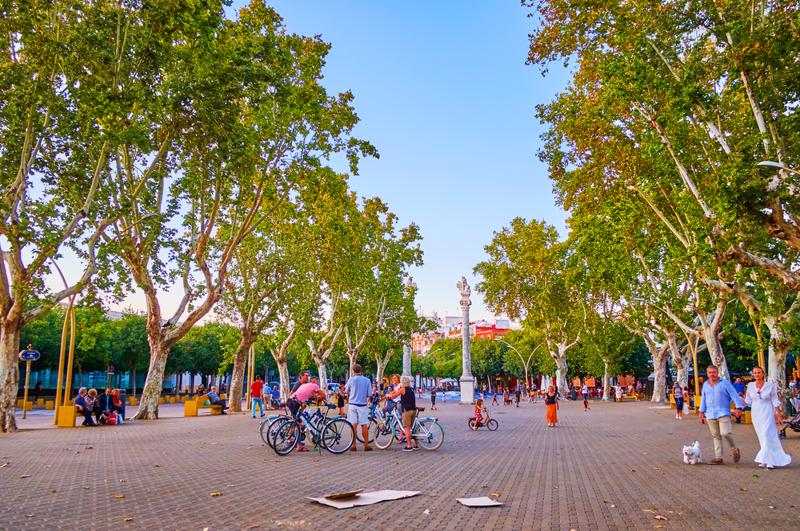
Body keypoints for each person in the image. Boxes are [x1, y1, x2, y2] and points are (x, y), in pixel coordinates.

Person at [744, 367, 791, 469]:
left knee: (766, 434)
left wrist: (778, 415)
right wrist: (738, 403)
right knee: (762, 436)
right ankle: (765, 459)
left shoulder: (770, 386)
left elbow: (775, 400)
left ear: (763, 374)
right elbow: (747, 401)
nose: (757, 374)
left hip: (767, 412)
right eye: (755, 373)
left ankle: (770, 461)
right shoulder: (750, 386)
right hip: (756, 413)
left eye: (759, 372)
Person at [698, 365, 743, 464]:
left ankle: (734, 449)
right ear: (707, 373)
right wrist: (701, 411)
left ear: (717, 372)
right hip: (710, 413)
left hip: (723, 412)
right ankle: (718, 457)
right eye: (709, 372)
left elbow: (734, 395)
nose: (712, 374)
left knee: (725, 433)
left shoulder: (725, 383)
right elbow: (703, 399)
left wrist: (738, 407)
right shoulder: (705, 384)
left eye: (713, 372)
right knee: (716, 435)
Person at [287, 375, 325, 452]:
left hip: (291, 401)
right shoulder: (314, 385)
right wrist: (322, 399)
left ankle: (294, 440)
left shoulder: (305, 385)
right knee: (297, 424)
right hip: (295, 403)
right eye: (317, 382)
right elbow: (323, 395)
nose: (318, 385)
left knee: (297, 421)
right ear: (313, 382)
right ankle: (297, 444)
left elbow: (307, 396)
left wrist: (316, 397)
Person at [344, 363, 373, 452]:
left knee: (353, 425)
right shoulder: (367, 380)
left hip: (352, 404)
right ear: (361, 370)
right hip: (362, 405)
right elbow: (370, 394)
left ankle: (353, 445)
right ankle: (366, 445)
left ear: (353, 371)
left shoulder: (351, 380)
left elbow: (346, 391)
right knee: (364, 425)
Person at [387, 376, 418, 452]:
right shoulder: (411, 389)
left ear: (402, 382)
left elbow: (394, 396)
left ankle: (409, 446)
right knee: (412, 428)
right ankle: (416, 445)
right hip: (413, 410)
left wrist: (388, 395)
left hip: (407, 410)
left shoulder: (403, 389)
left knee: (406, 428)